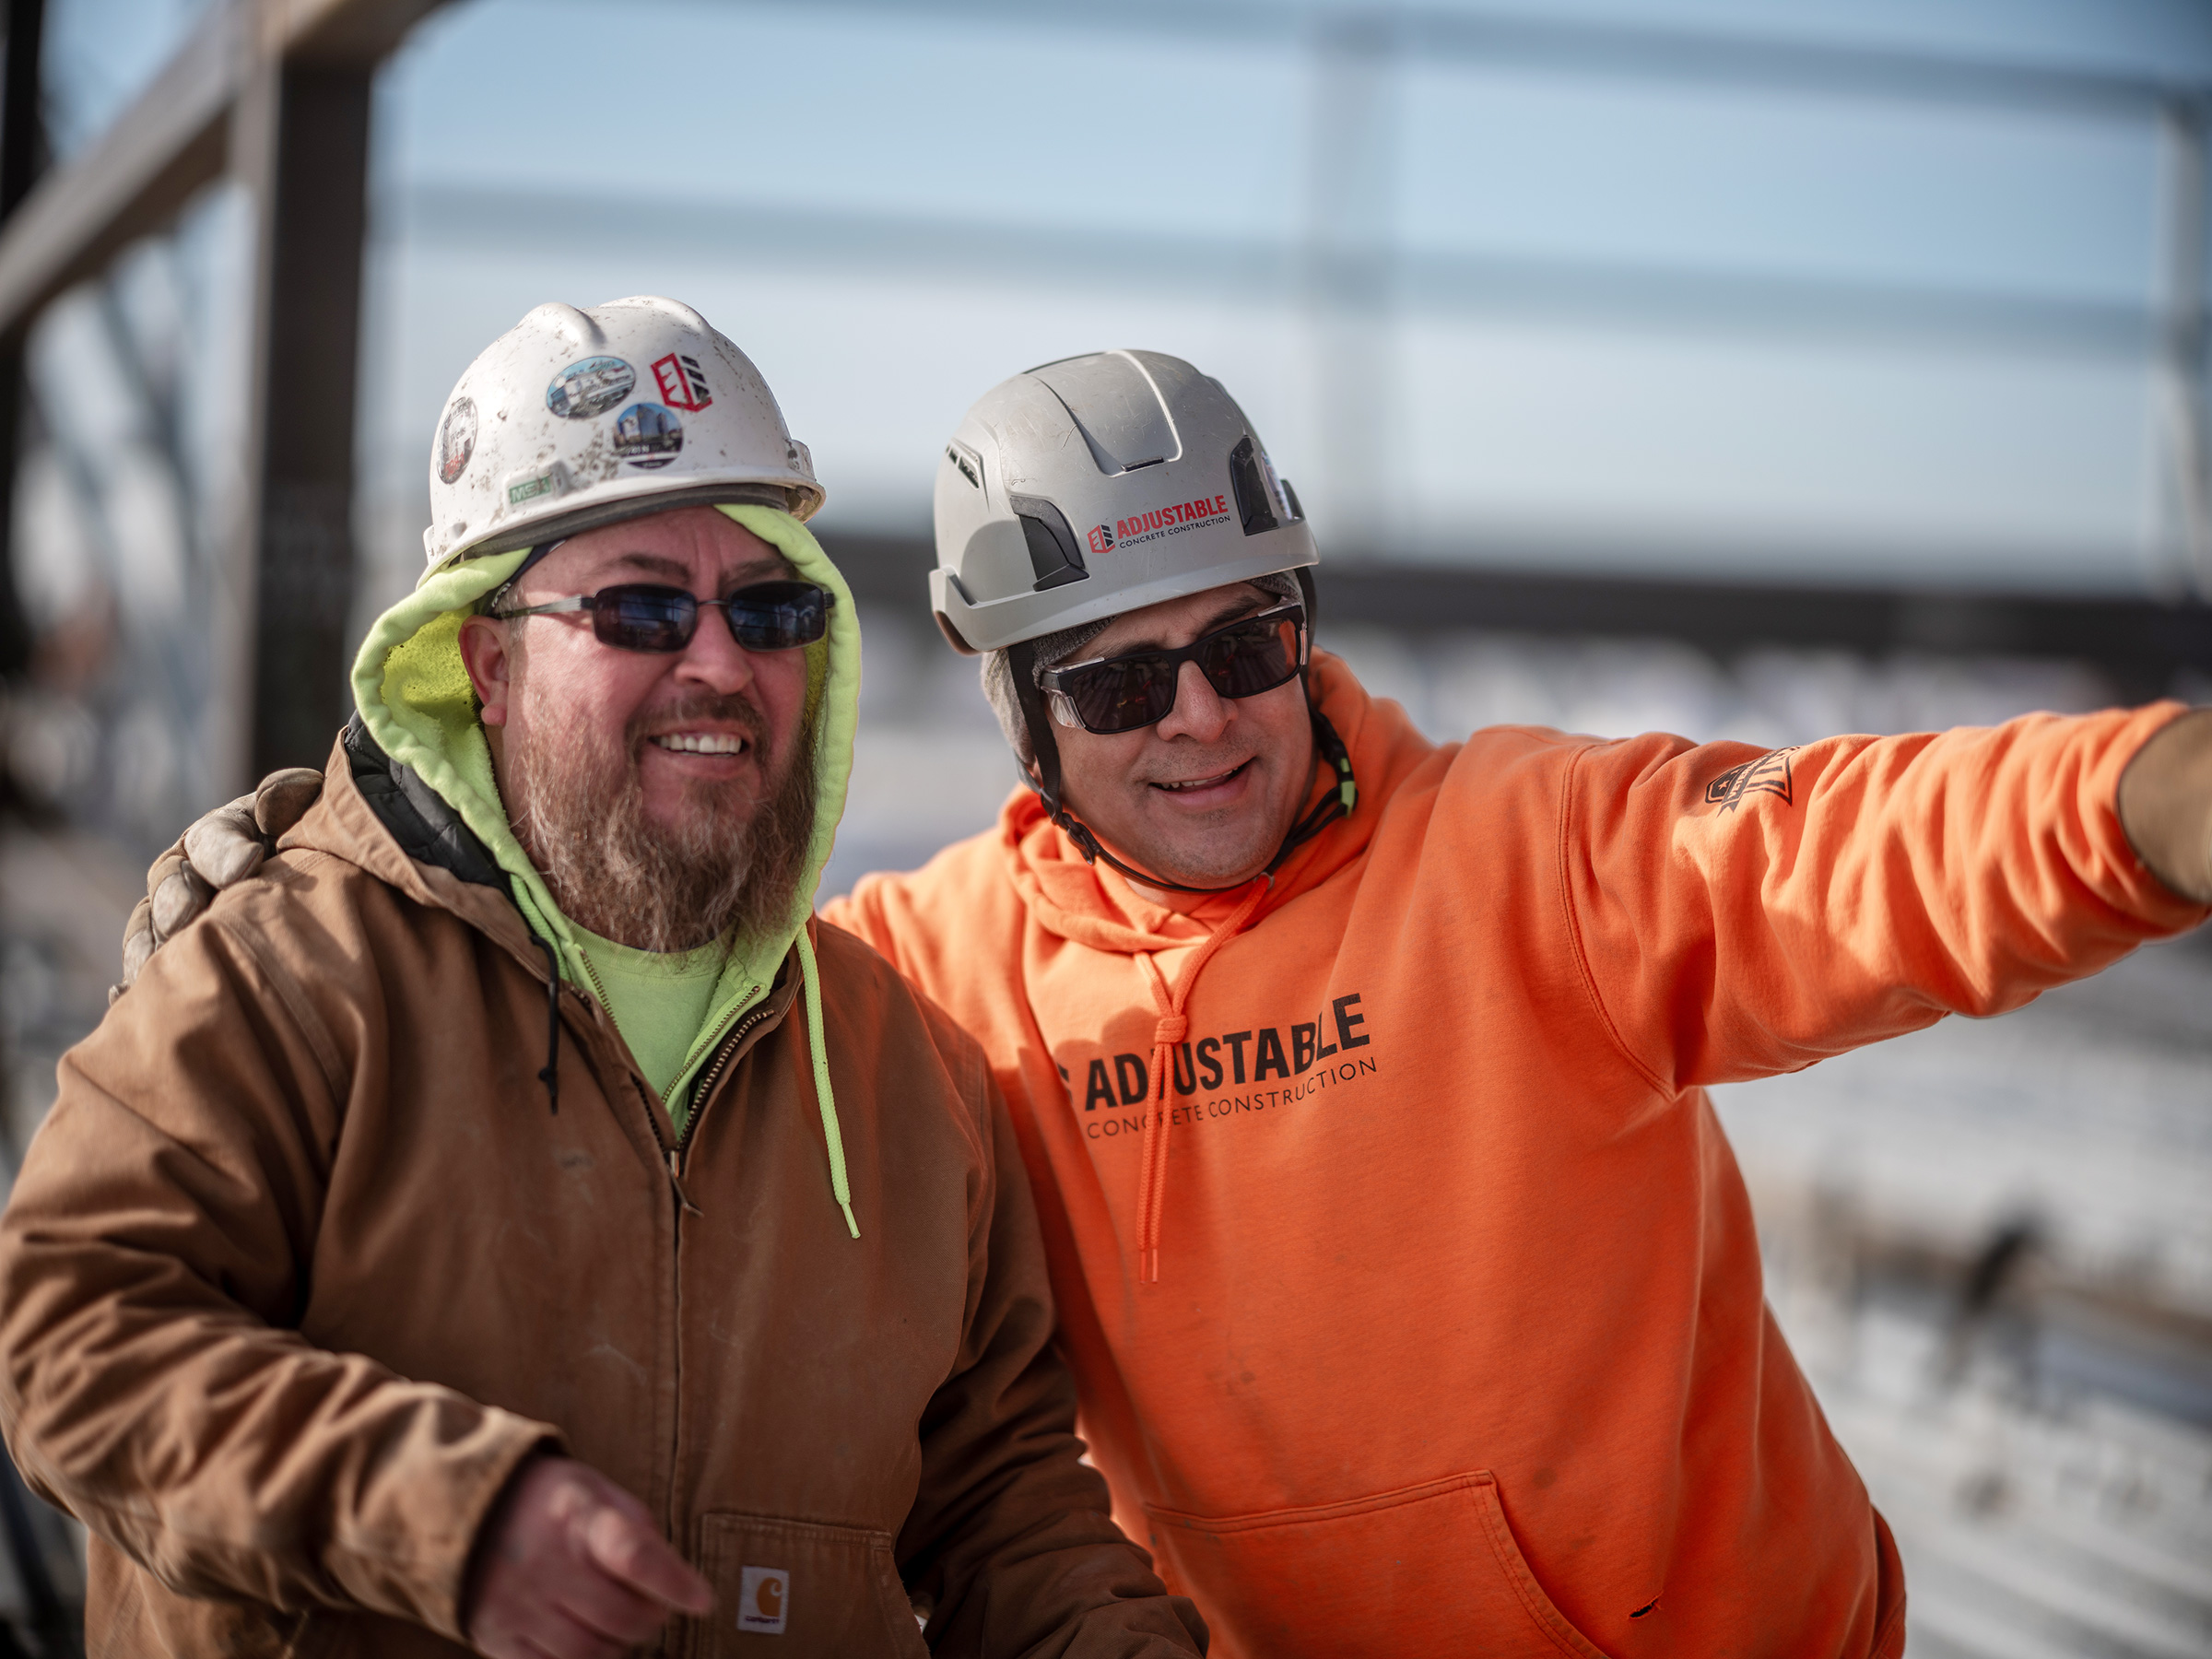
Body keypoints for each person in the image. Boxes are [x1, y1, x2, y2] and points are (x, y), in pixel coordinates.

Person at [124, 347, 2212, 1658]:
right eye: (1121, 678)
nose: (1202, 717)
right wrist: (320, 888)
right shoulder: (931, 986)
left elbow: (1866, 841)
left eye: (1244, 645)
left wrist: (2151, 800)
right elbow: (603, 1016)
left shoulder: (1533, 859)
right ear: (1020, 710)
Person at [0, 305, 1206, 1659]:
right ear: (487, 664)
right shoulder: (289, 978)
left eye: (770, 609)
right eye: (641, 609)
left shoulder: (902, 1070)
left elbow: (1003, 1508)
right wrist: (447, 1518)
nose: (720, 661)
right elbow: (69, 1333)